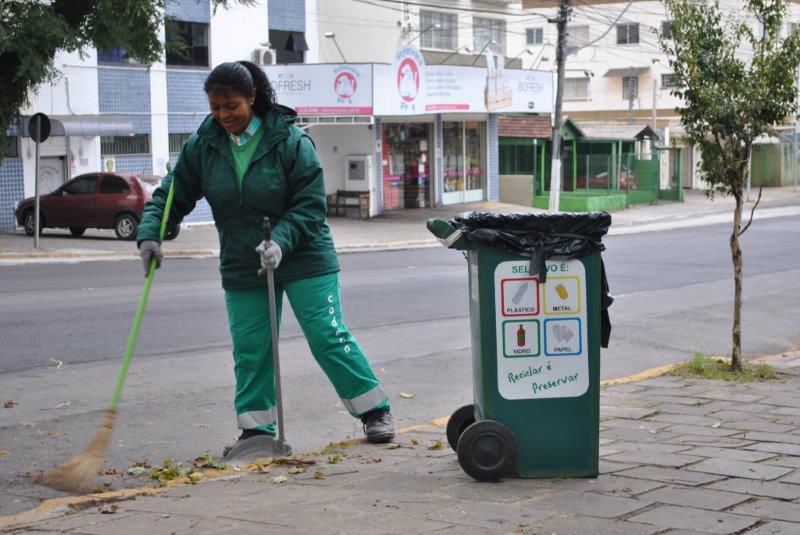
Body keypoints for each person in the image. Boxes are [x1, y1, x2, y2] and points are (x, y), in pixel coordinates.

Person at [136, 61, 395, 454]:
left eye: (232, 106)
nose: (224, 115)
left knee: (327, 335)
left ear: (252, 98)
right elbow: (172, 194)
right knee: (251, 347)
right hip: (243, 259)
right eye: (216, 107)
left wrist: (281, 241)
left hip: (305, 253)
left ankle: (374, 410)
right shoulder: (202, 146)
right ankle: (257, 431)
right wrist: (151, 234)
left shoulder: (290, 141)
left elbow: (310, 206)